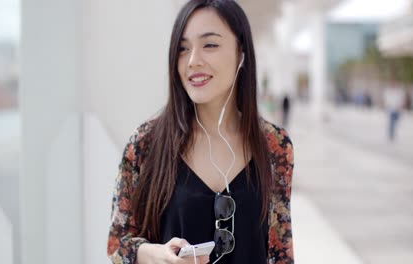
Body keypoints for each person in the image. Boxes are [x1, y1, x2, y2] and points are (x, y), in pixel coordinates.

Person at [107, 1, 294, 263]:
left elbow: (281, 252)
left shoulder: (275, 145)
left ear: (241, 52)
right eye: (183, 49)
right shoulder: (146, 143)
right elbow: (117, 244)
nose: (193, 61)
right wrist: (153, 255)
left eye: (210, 45)